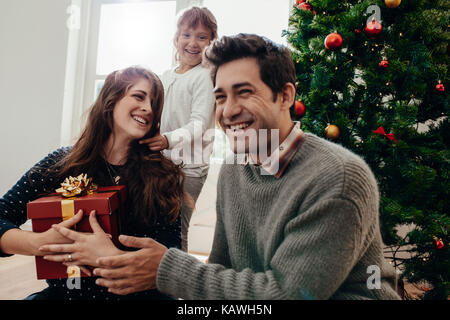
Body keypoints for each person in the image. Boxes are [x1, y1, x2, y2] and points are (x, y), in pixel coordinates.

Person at [89, 34, 401, 299]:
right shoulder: (234, 169)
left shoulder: (338, 176)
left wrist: (166, 269)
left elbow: (289, 294)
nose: (229, 110)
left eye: (245, 92)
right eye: (221, 97)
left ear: (285, 95)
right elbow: (222, 271)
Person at [0, 66, 186, 300]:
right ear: (111, 99)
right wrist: (39, 243)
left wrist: (110, 256)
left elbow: (170, 257)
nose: (148, 108)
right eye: (139, 96)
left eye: (154, 104)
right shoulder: (61, 163)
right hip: (67, 296)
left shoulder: (162, 176)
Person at [139, 7, 218, 252]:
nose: (193, 43)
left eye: (202, 37)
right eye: (187, 35)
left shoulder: (204, 77)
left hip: (190, 170)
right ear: (176, 38)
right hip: (159, 164)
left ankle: (175, 283)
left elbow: (199, 123)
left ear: (211, 42)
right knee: (155, 225)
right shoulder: (164, 76)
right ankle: (150, 279)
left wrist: (167, 140)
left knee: (179, 230)